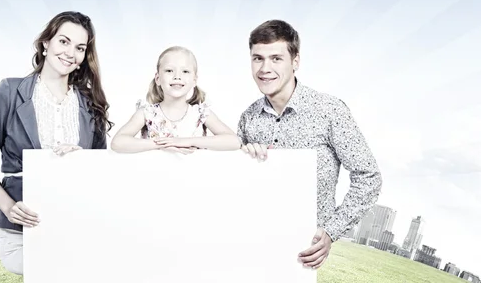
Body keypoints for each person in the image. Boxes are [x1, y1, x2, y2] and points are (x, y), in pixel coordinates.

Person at [0, 11, 114, 275]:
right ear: (46, 43)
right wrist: (9, 207)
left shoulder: (90, 104)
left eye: (80, 48)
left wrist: (82, 158)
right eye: (64, 41)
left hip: (76, 220)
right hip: (23, 229)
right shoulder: (10, 92)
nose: (70, 52)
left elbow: (101, 170)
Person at [237, 20, 382, 270]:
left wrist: (330, 231)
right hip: (252, 247)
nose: (265, 68)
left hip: (307, 259)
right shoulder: (248, 118)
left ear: (295, 61)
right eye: (257, 58)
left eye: (276, 58)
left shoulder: (328, 111)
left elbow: (368, 176)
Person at [111, 46, 241, 153]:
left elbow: (234, 141)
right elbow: (118, 143)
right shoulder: (147, 113)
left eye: (185, 71)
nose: (177, 76)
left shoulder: (201, 113)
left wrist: (186, 141)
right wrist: (163, 144)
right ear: (158, 78)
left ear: (194, 80)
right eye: (169, 70)